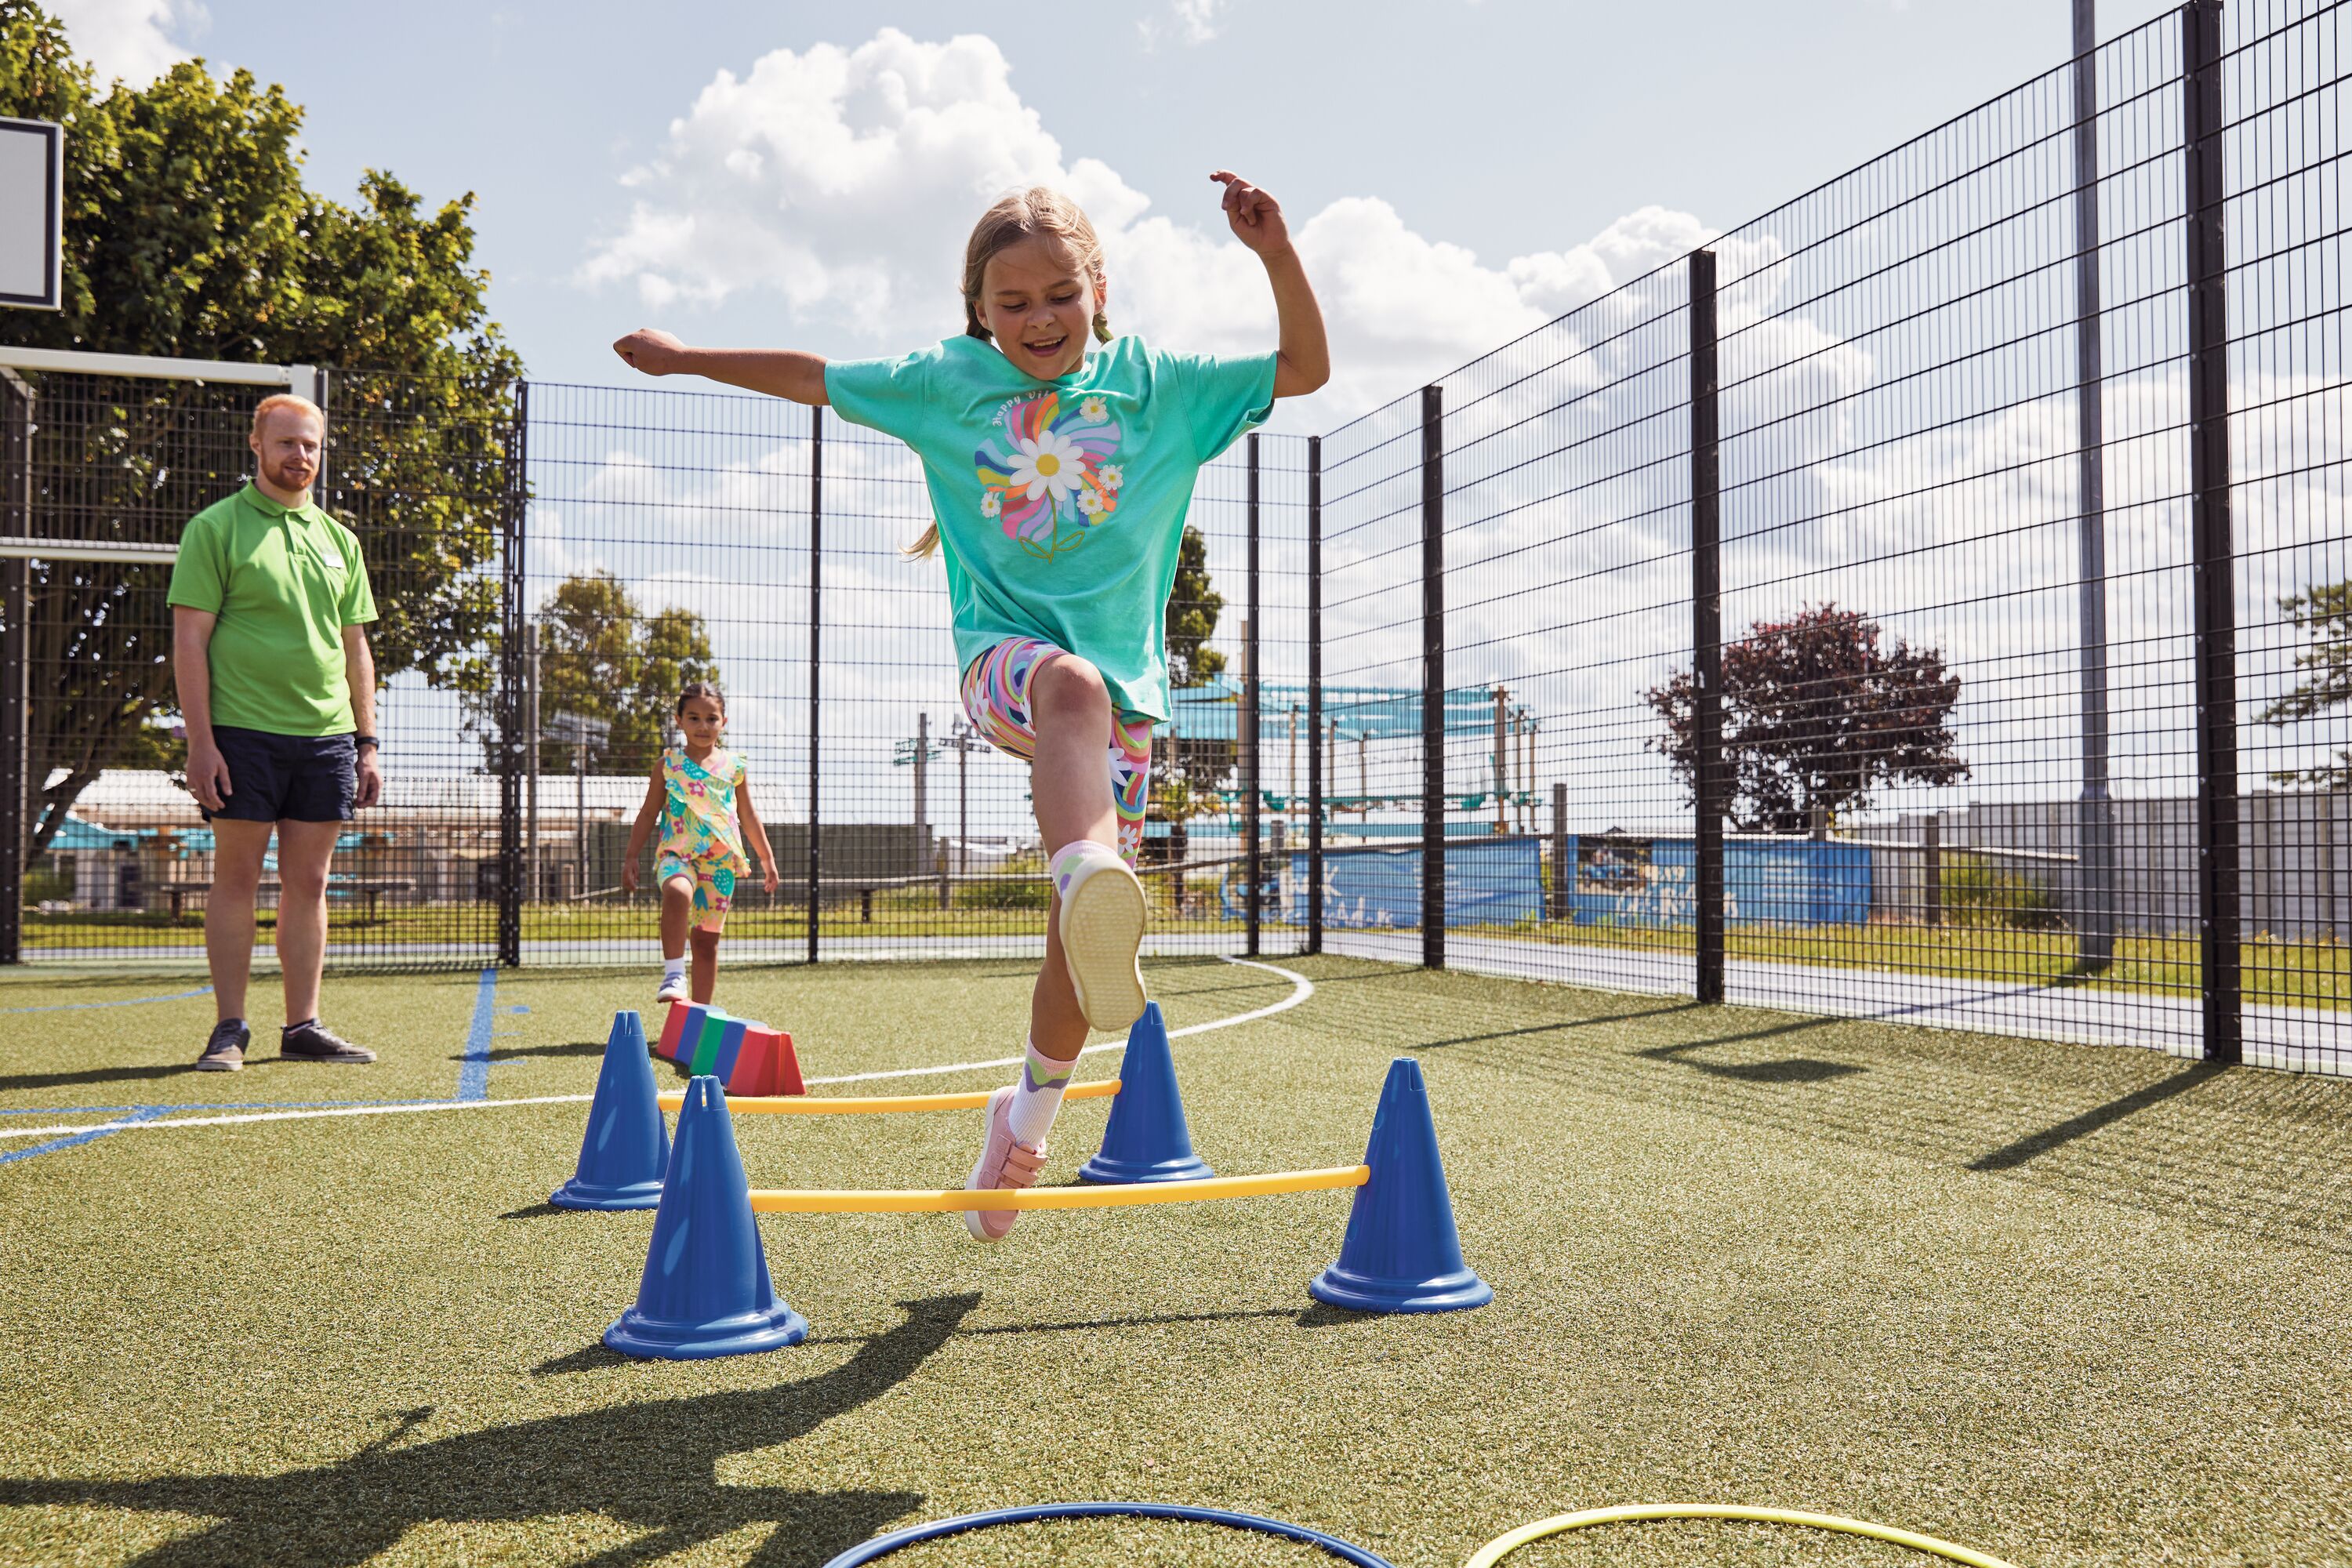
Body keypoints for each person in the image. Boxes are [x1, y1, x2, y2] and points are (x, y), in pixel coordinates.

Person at [612, 172, 1329, 1239]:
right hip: (1011, 669)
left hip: (1123, 710)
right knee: (1068, 689)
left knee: (1074, 961)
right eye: (1013, 304)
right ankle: (1089, 871)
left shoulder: (1165, 388)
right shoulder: (948, 385)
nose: (1038, 320)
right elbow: (814, 375)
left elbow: (1305, 371)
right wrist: (688, 359)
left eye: (1058, 296)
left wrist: (1275, 254)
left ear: (1098, 288)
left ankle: (1025, 1122)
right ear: (978, 312)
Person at [169, 394, 383, 1071]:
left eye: (312, 445)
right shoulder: (215, 529)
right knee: (235, 880)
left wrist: (366, 741)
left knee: (309, 884)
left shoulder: (340, 541)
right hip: (240, 735)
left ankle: (302, 1027)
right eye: (288, 443)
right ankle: (229, 1028)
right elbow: (189, 643)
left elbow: (357, 652)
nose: (301, 457)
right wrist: (201, 742)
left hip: (325, 738)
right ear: (256, 447)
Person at [620, 682, 781, 1006]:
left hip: (719, 864)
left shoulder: (734, 767)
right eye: (693, 718)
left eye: (712, 718)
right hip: (677, 855)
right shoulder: (668, 766)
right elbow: (649, 812)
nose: (703, 726)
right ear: (679, 720)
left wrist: (766, 859)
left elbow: (748, 815)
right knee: (677, 892)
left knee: (706, 943)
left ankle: (700, 1019)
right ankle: (674, 973)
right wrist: (630, 856)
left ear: (724, 722)